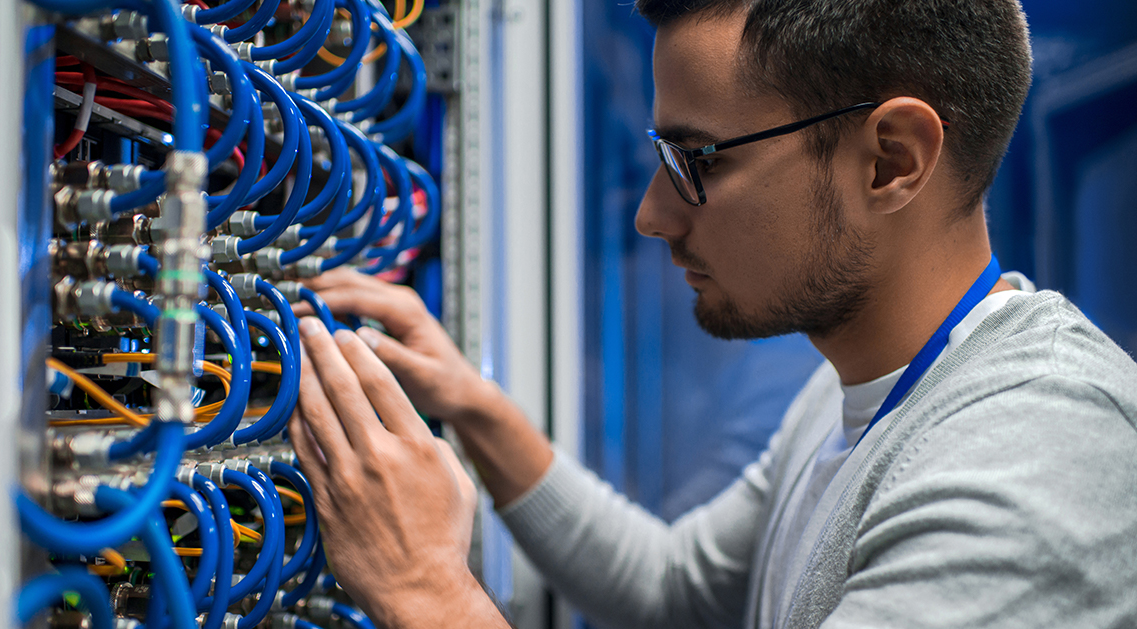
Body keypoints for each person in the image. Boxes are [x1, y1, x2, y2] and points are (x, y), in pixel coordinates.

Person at [286, 0, 1137, 626]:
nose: (652, 214)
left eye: (696, 159)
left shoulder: (1032, 467)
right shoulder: (862, 390)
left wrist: (427, 589)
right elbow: (673, 589)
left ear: (890, 160)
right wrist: (474, 404)